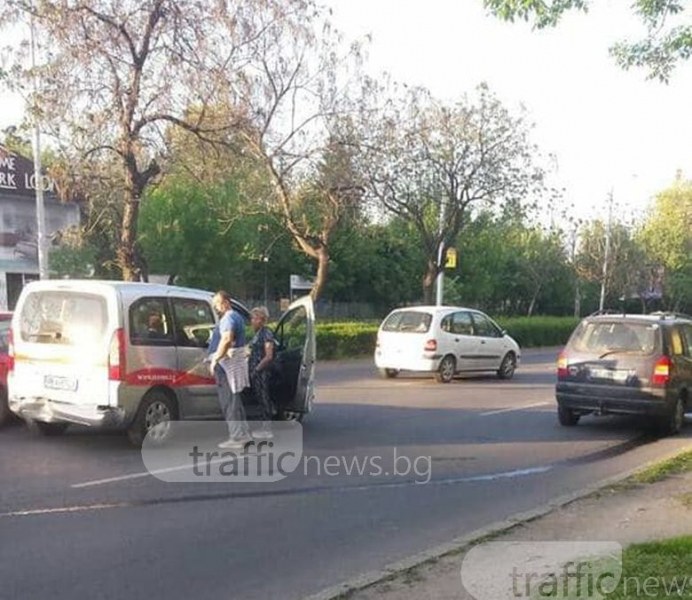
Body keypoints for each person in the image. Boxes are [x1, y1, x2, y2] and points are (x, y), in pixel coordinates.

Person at [208, 290, 251, 449]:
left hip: (227, 366)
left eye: (217, 304)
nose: (216, 308)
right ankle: (243, 434)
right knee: (235, 401)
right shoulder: (237, 317)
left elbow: (227, 339)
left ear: (225, 302)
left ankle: (237, 437)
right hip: (233, 364)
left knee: (229, 402)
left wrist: (215, 359)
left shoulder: (228, 318)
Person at [249, 306, 276, 439]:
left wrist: (257, 369)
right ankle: (264, 426)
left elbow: (268, 355)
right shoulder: (258, 333)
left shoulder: (266, 333)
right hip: (257, 372)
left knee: (264, 398)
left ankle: (267, 429)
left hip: (262, 372)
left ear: (261, 319)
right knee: (260, 398)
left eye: (254, 318)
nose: (252, 321)